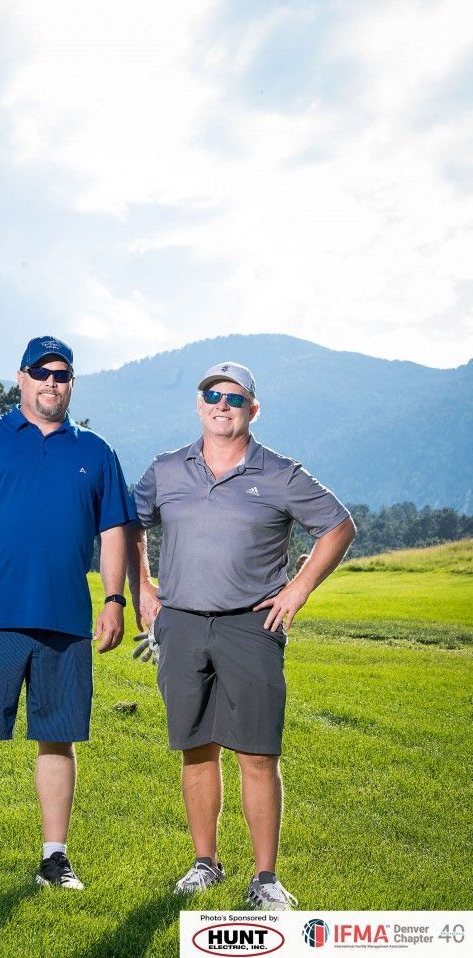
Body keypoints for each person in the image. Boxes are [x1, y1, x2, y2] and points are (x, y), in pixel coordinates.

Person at [127, 361, 356, 909]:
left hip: (251, 627)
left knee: (257, 753)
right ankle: (205, 863)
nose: (222, 405)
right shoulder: (165, 469)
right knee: (196, 750)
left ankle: (266, 878)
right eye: (213, 395)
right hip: (180, 624)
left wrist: (298, 589)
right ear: (199, 403)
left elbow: (339, 525)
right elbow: (130, 524)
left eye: (235, 398)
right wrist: (144, 587)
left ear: (253, 409)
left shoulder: (280, 472)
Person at [0, 336, 134, 888]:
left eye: (62, 375)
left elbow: (114, 529)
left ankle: (54, 858)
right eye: (41, 373)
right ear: (21, 378)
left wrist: (114, 600)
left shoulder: (96, 451)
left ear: (71, 384)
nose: (51, 382)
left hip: (66, 620)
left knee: (58, 738)